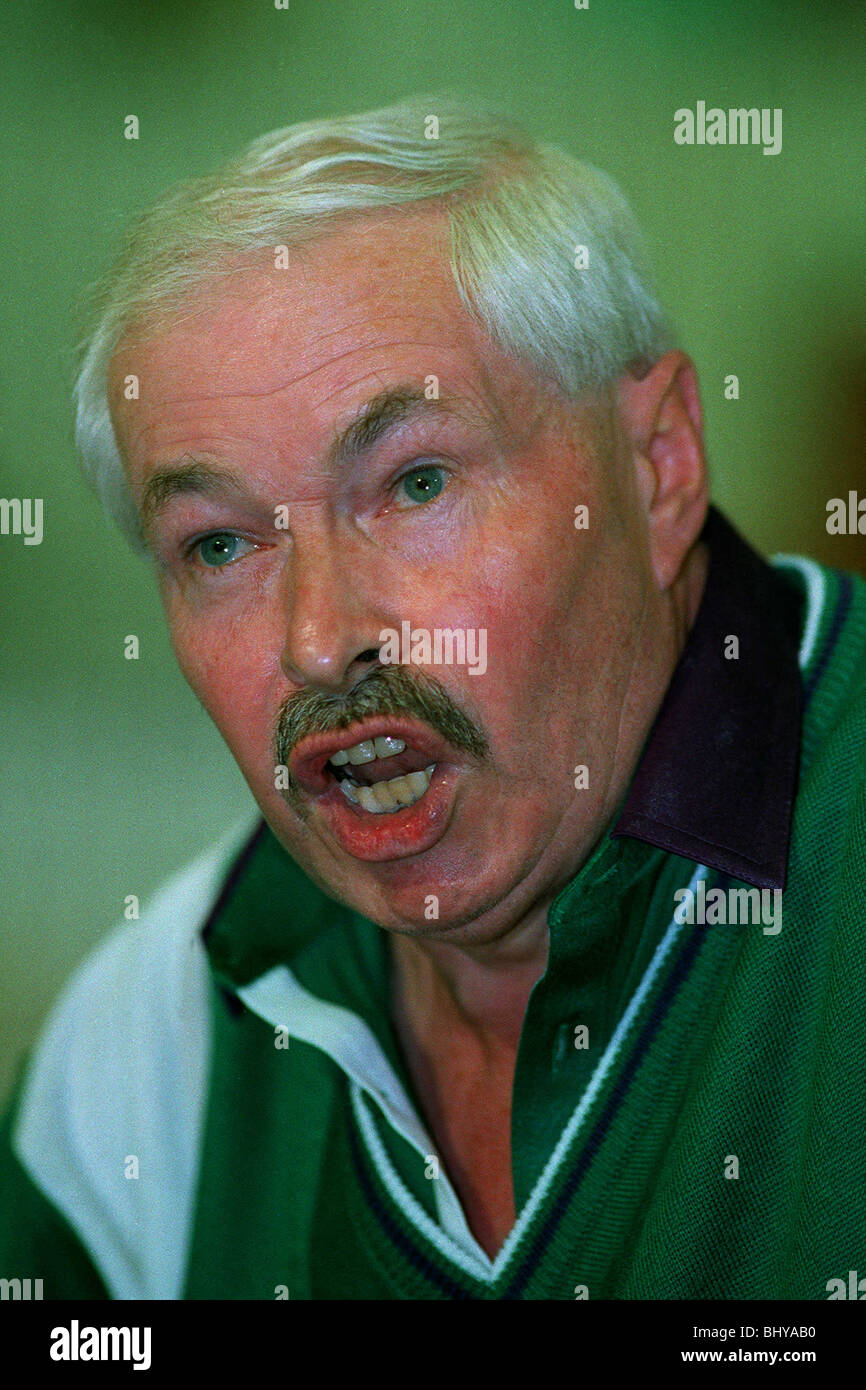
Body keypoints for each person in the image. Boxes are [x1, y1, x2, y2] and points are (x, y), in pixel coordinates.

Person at [1, 93, 864, 1301]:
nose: (320, 640)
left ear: (656, 465)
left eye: (412, 483)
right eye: (218, 545)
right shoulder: (158, 1040)